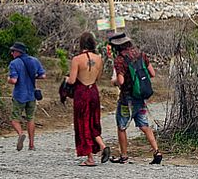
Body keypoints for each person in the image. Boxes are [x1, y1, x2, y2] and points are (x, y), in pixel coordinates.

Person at [109, 33, 162, 164]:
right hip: (140, 98)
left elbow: (120, 81)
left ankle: (124, 155)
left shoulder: (120, 60)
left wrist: (114, 81)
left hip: (126, 99)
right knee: (144, 125)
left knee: (122, 126)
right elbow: (152, 73)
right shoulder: (141, 54)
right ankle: (156, 151)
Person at [66, 32, 111, 167]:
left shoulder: (77, 60)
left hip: (81, 92)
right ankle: (102, 146)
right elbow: (98, 78)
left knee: (82, 123)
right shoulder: (98, 58)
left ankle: (90, 157)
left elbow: (72, 80)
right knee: (93, 121)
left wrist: (66, 79)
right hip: (93, 91)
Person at [8, 42, 46, 151]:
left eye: (13, 51)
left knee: (15, 119)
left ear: (17, 52)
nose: (12, 53)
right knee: (30, 119)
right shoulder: (34, 60)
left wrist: (9, 80)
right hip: (31, 94)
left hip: (19, 94)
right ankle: (31, 145)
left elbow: (14, 80)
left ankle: (20, 134)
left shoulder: (14, 63)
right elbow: (43, 75)